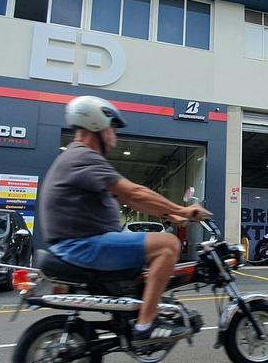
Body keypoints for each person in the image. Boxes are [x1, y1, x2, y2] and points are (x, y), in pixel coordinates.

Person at [39, 96, 211, 346]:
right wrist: (184, 211)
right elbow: (135, 192)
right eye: (113, 127)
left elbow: (134, 200)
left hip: (83, 243)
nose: (115, 135)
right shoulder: (84, 157)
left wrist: (169, 214)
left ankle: (140, 311)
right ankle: (146, 325)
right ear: (97, 124)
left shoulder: (78, 158)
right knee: (169, 245)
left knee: (153, 253)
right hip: (83, 246)